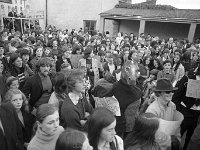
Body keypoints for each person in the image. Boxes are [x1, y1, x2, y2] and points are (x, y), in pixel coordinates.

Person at [93, 60, 142, 138]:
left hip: (127, 127)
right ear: (127, 70)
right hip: (120, 128)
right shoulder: (112, 89)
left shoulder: (137, 91)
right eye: (136, 71)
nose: (138, 74)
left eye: (138, 71)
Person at [172, 67, 200, 150]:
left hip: (197, 115)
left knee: (191, 140)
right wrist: (179, 112)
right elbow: (176, 97)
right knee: (177, 137)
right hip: (184, 111)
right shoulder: (188, 78)